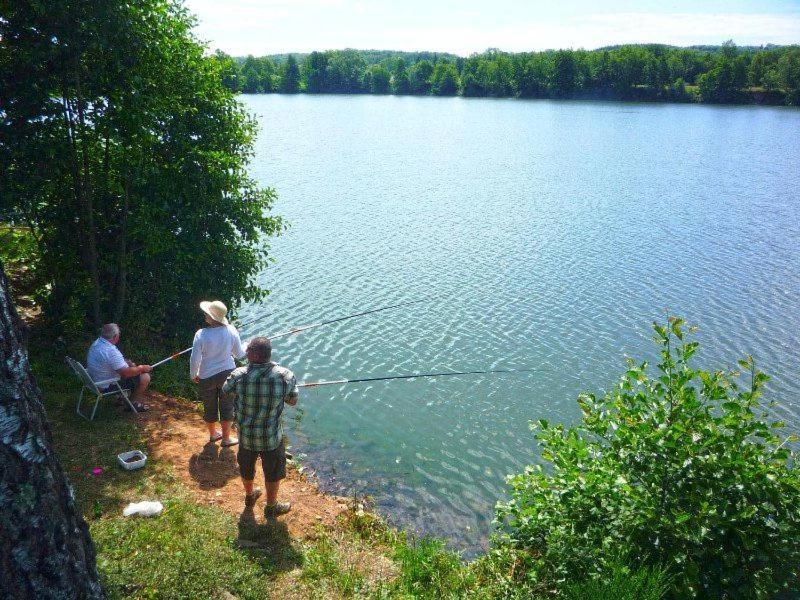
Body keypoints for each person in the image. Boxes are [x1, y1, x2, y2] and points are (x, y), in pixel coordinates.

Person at [222, 336, 298, 516]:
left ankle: (249, 496)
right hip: (271, 437)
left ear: (254, 355)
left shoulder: (238, 375)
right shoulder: (285, 376)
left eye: (248, 350)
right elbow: (293, 400)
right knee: (273, 471)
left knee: (246, 467)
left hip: (246, 436)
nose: (245, 352)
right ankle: (271, 507)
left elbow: (226, 392)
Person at [189, 300, 246, 446]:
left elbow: (195, 358)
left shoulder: (201, 334)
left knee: (209, 405)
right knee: (227, 405)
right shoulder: (231, 330)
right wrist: (247, 345)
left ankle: (213, 435)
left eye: (206, 313)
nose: (204, 314)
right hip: (228, 374)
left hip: (206, 375)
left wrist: (193, 374)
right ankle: (226, 439)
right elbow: (239, 354)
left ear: (210, 316)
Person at [86, 323, 152, 411]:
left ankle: (121, 399)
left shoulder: (97, 343)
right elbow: (125, 374)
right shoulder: (110, 351)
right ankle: (131, 404)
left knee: (134, 371)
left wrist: (126, 363)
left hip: (93, 381)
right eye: (119, 334)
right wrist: (142, 368)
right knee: (145, 377)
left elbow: (110, 361)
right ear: (115, 336)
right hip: (104, 386)